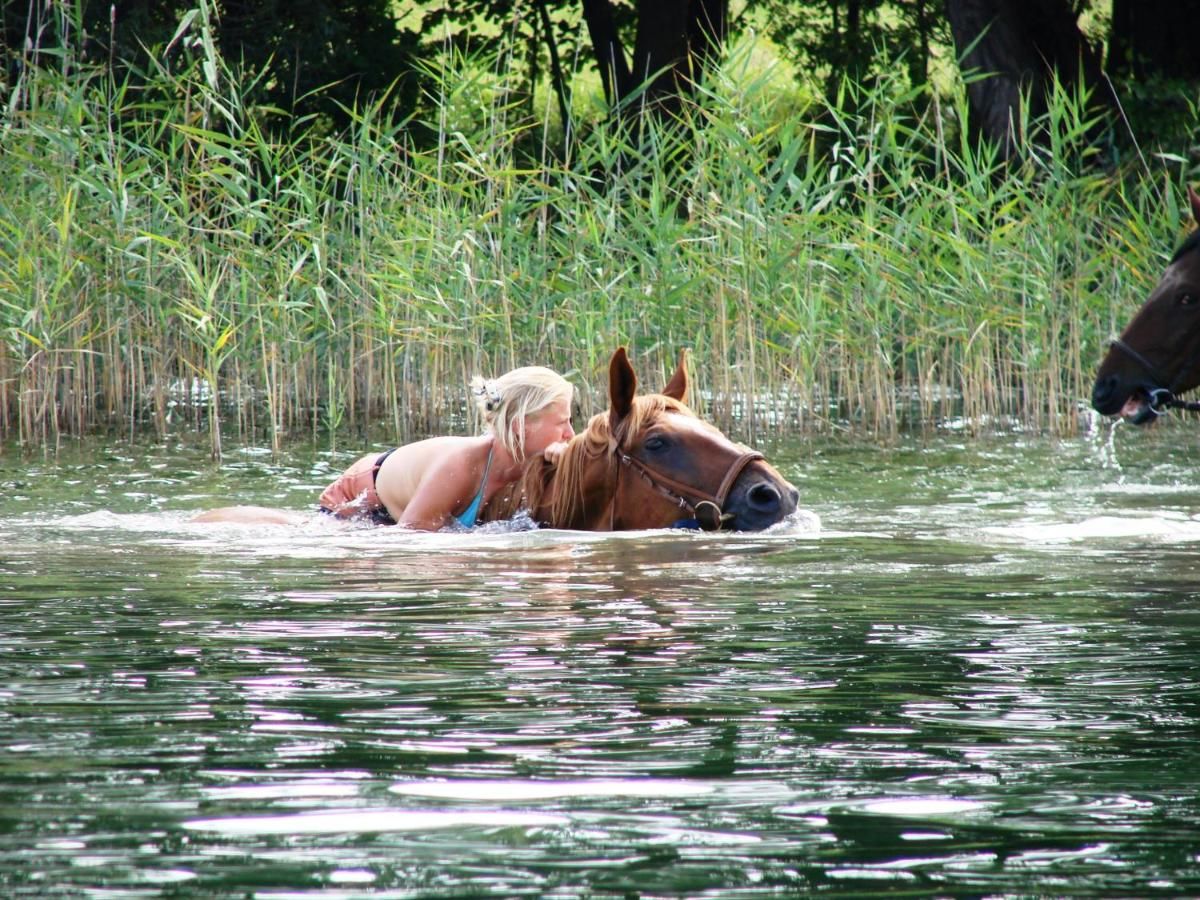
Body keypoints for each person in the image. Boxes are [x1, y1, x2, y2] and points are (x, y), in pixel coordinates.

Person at [317, 366, 575, 530]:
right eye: (562, 423)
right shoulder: (461, 467)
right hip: (357, 502)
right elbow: (412, 538)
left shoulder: (538, 460)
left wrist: (569, 464)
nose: (570, 434)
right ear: (520, 425)